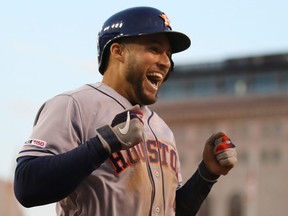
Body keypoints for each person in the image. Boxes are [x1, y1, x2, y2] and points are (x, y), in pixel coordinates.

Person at [14, 6, 237, 216]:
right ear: (118, 51)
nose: (166, 62)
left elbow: (170, 210)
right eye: (154, 48)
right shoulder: (74, 104)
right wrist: (102, 144)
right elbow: (27, 186)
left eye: (168, 54)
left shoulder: (162, 129)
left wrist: (207, 173)